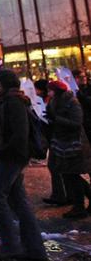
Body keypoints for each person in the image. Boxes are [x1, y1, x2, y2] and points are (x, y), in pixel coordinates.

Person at [0, 70, 47, 260]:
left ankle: (12, 246)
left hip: (13, 157)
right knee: (18, 202)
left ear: (5, 86)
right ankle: (33, 248)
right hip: (11, 156)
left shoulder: (14, 103)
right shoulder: (7, 102)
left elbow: (19, 136)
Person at [45, 80, 91, 219]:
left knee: (72, 175)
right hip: (61, 143)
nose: (48, 92)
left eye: (50, 90)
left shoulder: (72, 102)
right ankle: (79, 205)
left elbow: (76, 123)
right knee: (68, 174)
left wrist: (56, 119)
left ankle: (79, 207)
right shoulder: (53, 102)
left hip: (74, 144)